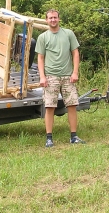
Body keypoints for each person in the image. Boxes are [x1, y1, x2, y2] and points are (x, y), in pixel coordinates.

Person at [36, 9, 85, 147]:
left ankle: (74, 136)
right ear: (46, 20)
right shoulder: (43, 37)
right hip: (51, 76)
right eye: (50, 18)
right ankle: (49, 138)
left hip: (67, 76)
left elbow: (75, 53)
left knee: (72, 105)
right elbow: (40, 57)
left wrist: (75, 72)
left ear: (59, 19)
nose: (53, 20)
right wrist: (42, 77)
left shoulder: (68, 34)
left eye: (55, 18)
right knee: (50, 106)